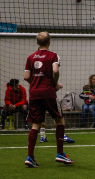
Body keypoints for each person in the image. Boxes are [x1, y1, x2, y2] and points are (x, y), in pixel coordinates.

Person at [24, 31, 74, 167]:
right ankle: (60, 154)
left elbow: (27, 77)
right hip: (48, 93)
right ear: (49, 42)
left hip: (34, 94)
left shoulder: (30, 57)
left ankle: (30, 157)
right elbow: (55, 71)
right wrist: (54, 84)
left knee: (35, 125)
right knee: (59, 121)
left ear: (37, 43)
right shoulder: (53, 56)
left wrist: (36, 85)